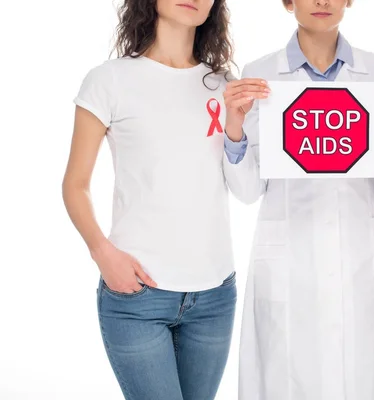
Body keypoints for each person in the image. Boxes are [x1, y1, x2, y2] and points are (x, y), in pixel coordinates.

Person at [221, 0, 374, 399]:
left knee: (363, 378)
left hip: (359, 262)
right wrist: (235, 126)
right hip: (289, 263)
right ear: (288, 2)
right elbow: (246, 191)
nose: (323, 2)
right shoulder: (259, 75)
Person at [62, 1, 239, 399]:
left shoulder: (224, 85)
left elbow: (242, 184)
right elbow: (75, 183)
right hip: (137, 294)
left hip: (214, 296)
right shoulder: (109, 81)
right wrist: (102, 253)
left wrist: (238, 126)